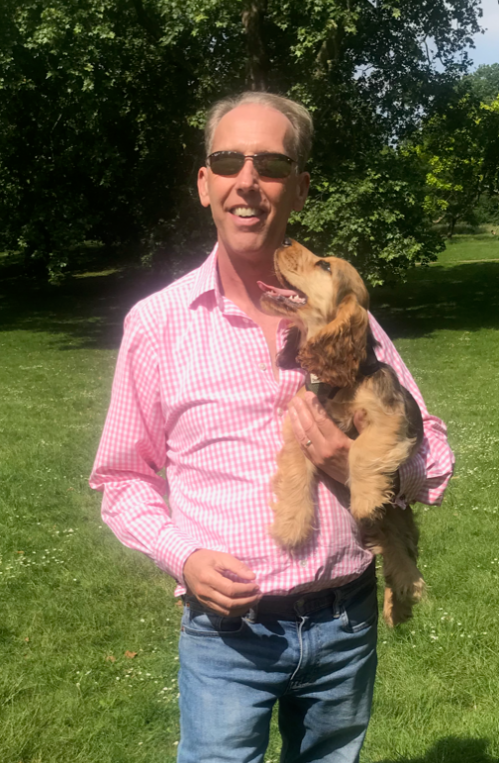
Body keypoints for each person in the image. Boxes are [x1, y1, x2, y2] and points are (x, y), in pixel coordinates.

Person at [90, 92, 454, 763]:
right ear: (205, 183)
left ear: (300, 190)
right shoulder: (158, 324)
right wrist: (183, 557)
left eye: (272, 164)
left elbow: (431, 448)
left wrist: (362, 469)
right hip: (229, 633)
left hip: (344, 620)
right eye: (228, 161)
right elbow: (121, 479)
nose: (247, 181)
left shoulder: (349, 320)